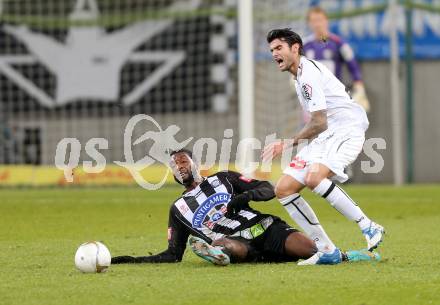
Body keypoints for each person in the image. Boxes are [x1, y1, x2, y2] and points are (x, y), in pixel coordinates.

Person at [112, 149, 378, 265]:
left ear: (194, 164)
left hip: (265, 228)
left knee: (312, 250)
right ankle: (216, 251)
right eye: (175, 165)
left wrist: (243, 197)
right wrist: (130, 260)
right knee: (227, 244)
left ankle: (349, 255)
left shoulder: (223, 178)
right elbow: (172, 254)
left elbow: (268, 188)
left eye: (183, 161)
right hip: (237, 243)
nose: (180, 167)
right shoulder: (178, 208)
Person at [263, 28, 384, 265]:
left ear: (295, 48)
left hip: (347, 130)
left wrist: (288, 143)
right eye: (271, 50)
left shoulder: (307, 75)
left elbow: (319, 121)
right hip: (329, 134)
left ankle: (368, 226)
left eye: (279, 48)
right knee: (284, 188)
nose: (274, 53)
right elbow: (320, 123)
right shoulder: (297, 76)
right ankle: (326, 249)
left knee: (314, 177)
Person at [304, 6, 370, 113]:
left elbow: (352, 63)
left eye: (320, 20)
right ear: (309, 23)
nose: (317, 24)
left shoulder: (338, 43)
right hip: (312, 98)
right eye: (313, 21)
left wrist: (359, 84)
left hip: (334, 97)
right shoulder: (305, 45)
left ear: (326, 21)